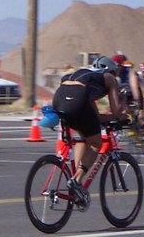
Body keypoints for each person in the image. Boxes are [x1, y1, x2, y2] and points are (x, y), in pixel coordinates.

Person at [52, 56, 127, 207]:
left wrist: (107, 117)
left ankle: (75, 181)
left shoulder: (85, 76)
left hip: (60, 99)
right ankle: (77, 180)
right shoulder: (109, 78)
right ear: (110, 70)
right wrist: (123, 109)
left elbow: (95, 117)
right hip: (76, 101)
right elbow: (117, 111)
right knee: (96, 144)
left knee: (84, 135)